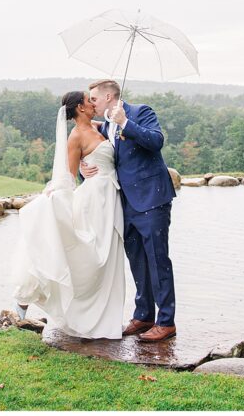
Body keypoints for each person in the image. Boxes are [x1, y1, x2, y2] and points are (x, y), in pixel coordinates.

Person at [10, 90, 125, 339]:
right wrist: (54, 196)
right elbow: (68, 175)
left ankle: (108, 319)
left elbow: (103, 154)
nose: (93, 103)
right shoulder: (75, 137)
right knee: (94, 259)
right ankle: (80, 315)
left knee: (109, 260)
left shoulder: (100, 127)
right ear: (80, 108)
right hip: (94, 201)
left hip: (109, 199)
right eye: (88, 100)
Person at [82, 79, 177, 342]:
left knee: (158, 260)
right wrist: (84, 168)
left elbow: (156, 141)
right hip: (126, 202)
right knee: (137, 259)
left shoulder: (139, 112)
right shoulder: (107, 125)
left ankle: (166, 321)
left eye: (95, 99)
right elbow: (99, 155)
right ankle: (144, 314)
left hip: (152, 199)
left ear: (109, 96)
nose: (92, 103)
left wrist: (126, 122)